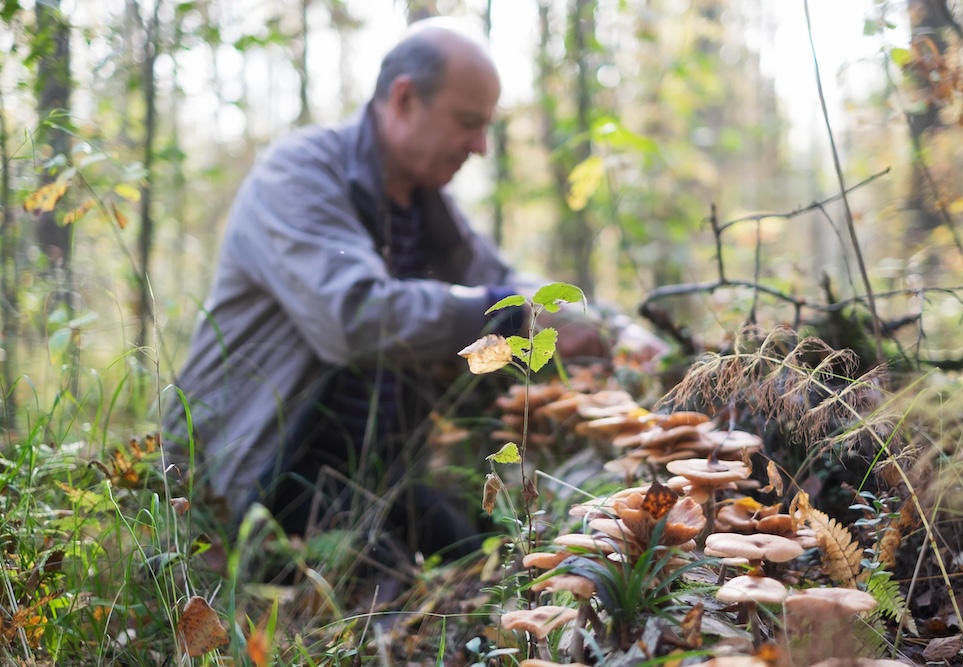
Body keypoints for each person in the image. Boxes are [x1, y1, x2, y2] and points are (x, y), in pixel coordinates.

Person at [163, 18, 661, 567]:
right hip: (248, 489)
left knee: (484, 566)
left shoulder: (429, 208)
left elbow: (514, 284)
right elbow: (354, 317)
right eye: (468, 123)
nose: (479, 145)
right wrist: (515, 318)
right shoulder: (299, 175)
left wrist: (612, 326)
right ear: (403, 99)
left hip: (373, 487)